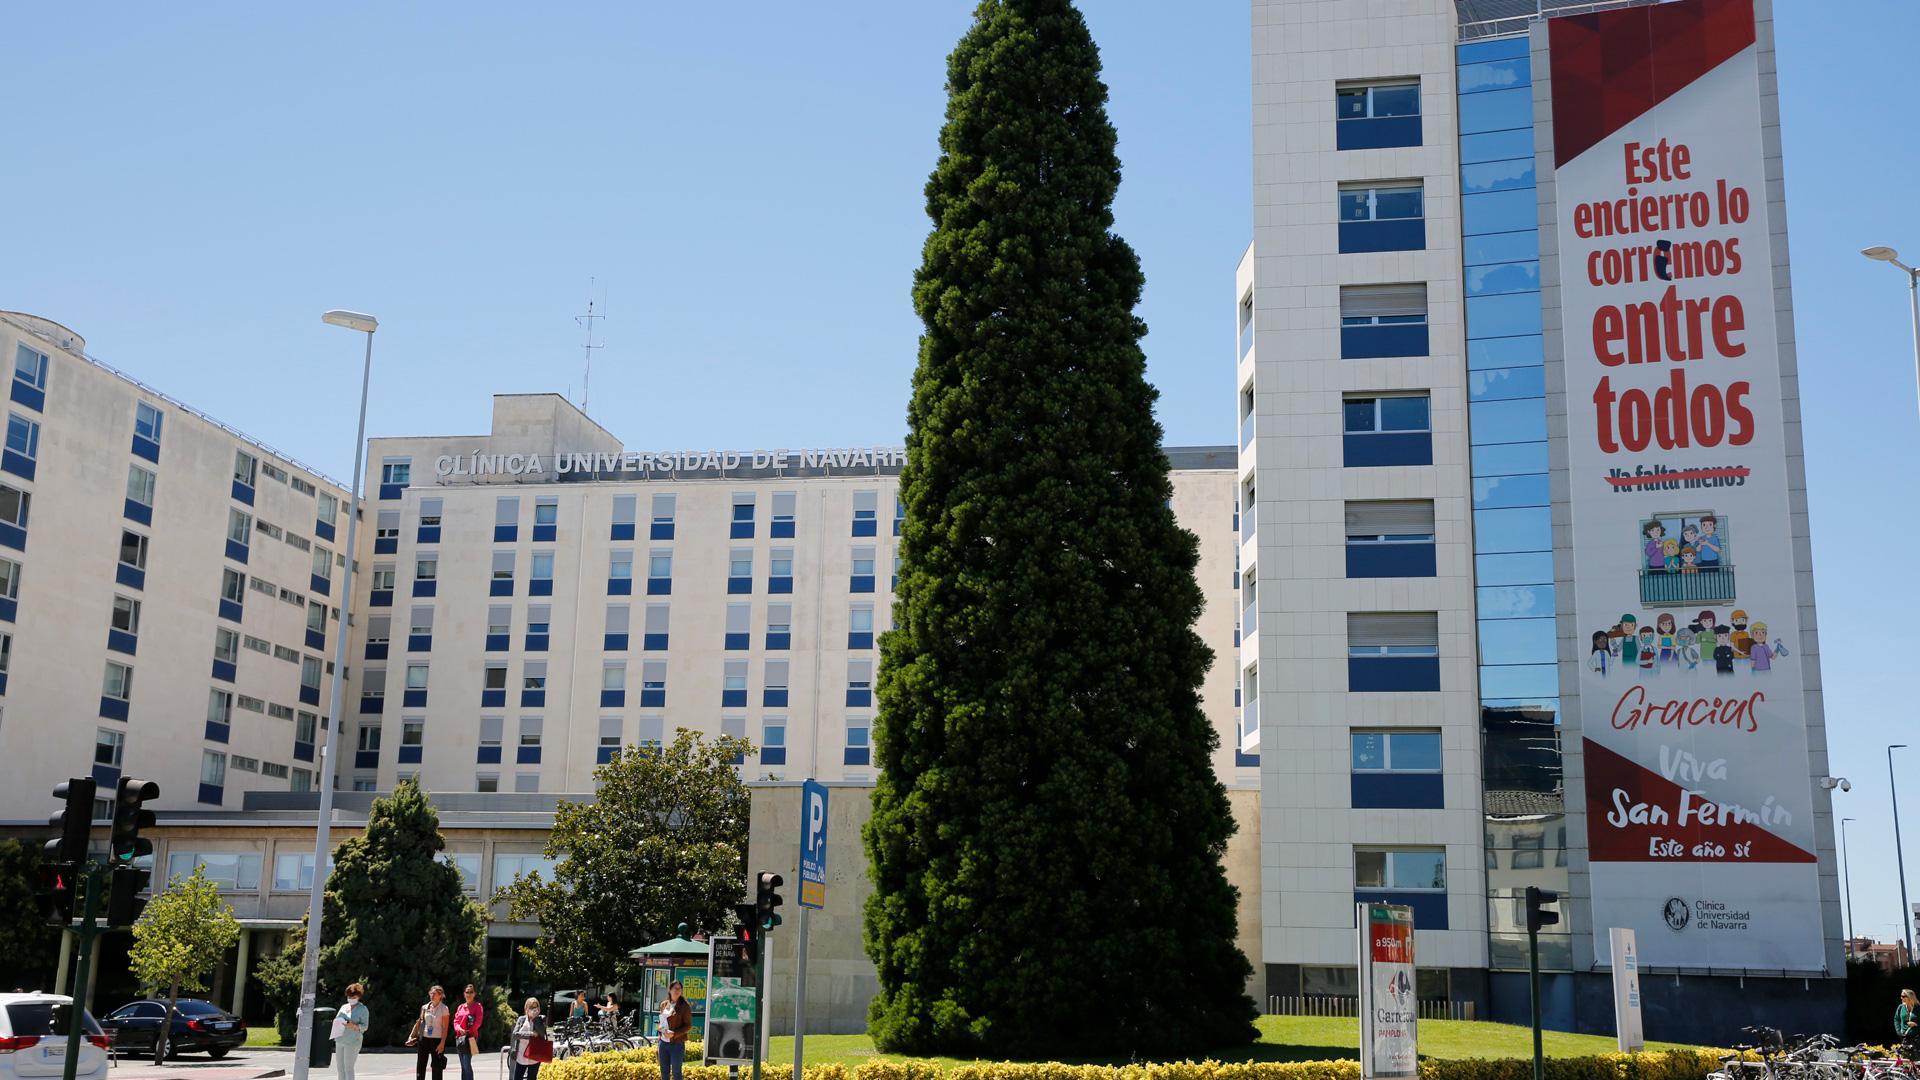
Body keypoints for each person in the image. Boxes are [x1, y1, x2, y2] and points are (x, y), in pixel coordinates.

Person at [414, 985, 450, 1080]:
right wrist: (418, 1037)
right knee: (421, 1064)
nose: (432, 995)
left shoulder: (444, 1008)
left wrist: (442, 1043)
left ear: (440, 995)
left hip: (437, 1040)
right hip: (424, 1038)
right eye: (431, 993)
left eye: (434, 994)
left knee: (437, 1066)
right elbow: (421, 1022)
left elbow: (445, 1028)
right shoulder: (424, 1007)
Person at [657, 981, 691, 1080]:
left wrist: (674, 1034)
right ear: (670, 990)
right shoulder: (664, 1004)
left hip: (677, 1044)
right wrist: (661, 1030)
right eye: (675, 988)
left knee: (676, 1072)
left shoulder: (685, 1006)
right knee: (664, 1071)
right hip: (663, 1044)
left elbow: (688, 1026)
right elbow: (660, 1023)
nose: (677, 991)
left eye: (679, 989)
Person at [336, 984, 370, 1080]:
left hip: (353, 1041)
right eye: (349, 996)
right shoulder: (344, 1007)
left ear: (359, 997)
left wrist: (353, 1026)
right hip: (340, 1040)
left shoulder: (363, 1009)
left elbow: (365, 1027)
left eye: (353, 997)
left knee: (348, 1068)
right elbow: (337, 1019)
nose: (351, 998)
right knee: (340, 1069)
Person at [452, 985, 485, 1080]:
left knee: (466, 1064)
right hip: (459, 1038)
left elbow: (478, 1021)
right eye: (467, 992)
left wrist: (468, 1031)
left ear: (474, 994)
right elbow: (456, 1021)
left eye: (471, 992)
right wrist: (459, 1029)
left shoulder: (477, 1006)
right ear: (464, 994)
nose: (469, 994)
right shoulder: (460, 1007)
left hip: (470, 1038)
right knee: (463, 1065)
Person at [511, 998, 549, 1080]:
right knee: (517, 1078)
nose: (534, 1010)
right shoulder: (521, 1019)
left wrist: (535, 1019)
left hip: (535, 1056)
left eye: (536, 1008)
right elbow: (515, 1034)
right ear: (526, 1009)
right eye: (531, 1008)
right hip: (521, 1056)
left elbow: (542, 1033)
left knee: (532, 1078)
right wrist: (530, 1034)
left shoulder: (541, 1019)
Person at [1897, 989, 1919, 1053]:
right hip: (1905, 1037)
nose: (1901, 998)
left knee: (1916, 1059)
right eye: (1901, 996)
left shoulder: (1918, 1008)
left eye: (1903, 996)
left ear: (1910, 997)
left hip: (1917, 1038)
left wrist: (1916, 1024)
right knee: (1906, 1056)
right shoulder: (1900, 1007)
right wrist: (1899, 1031)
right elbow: (1896, 1020)